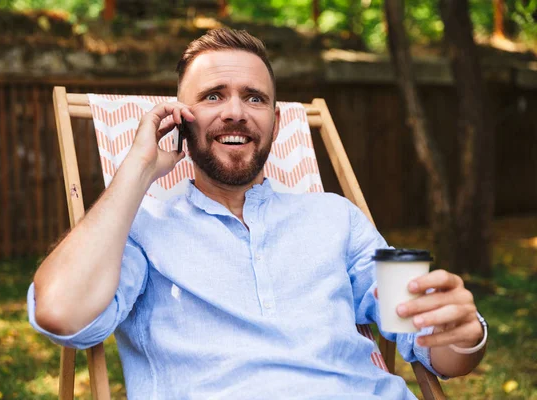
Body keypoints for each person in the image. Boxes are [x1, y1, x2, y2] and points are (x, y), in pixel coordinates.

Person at [28, 29, 487, 399]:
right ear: (178, 119)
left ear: (275, 120)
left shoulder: (336, 216)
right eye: (212, 97)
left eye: (254, 98)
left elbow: (435, 347)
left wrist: (461, 334)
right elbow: (60, 313)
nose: (235, 113)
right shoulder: (140, 225)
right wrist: (135, 172)